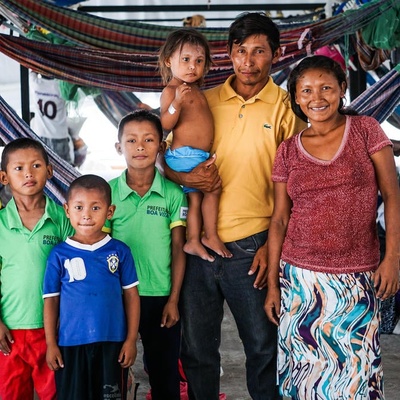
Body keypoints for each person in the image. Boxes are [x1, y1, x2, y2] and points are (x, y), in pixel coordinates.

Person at [164, 12, 306, 400]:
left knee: (262, 348)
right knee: (196, 352)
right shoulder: (201, 99)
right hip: (197, 250)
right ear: (228, 54)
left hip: (253, 247)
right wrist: (184, 178)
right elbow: (165, 157)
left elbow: (300, 186)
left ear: (275, 55)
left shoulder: (287, 108)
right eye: (241, 51)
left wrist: (272, 248)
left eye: (259, 51)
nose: (248, 61)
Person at [265, 55, 400, 399]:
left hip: (357, 278)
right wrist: (271, 285)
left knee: (358, 373)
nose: (317, 97)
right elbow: (279, 218)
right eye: (306, 90)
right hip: (300, 281)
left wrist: (393, 258)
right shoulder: (287, 151)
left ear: (342, 89)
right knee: (305, 374)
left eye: (326, 87)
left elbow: (392, 195)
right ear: (295, 97)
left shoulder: (366, 130)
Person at [108, 109, 187, 400]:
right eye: (131, 140)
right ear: (119, 147)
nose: (140, 146)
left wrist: (174, 299)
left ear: (161, 146)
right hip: (117, 297)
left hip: (160, 296)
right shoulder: (106, 194)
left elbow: (178, 249)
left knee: (164, 374)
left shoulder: (173, 194)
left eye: (149, 139)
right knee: (112, 374)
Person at [43, 174, 140, 400]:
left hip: (112, 342)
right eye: (79, 207)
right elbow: (51, 300)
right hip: (70, 343)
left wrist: (131, 340)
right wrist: (51, 343)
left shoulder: (119, 251)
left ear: (109, 212)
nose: (86, 215)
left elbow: (132, 296)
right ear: (67, 210)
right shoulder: (58, 254)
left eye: (95, 208)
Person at [0, 138, 73, 399]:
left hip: (53, 330)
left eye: (36, 165)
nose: (28, 173)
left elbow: (73, 274)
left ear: (50, 171)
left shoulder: (64, 219)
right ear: (4, 177)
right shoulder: (0, 223)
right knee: (11, 394)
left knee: (55, 392)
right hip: (9, 332)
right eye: (18, 168)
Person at [159, 28, 231, 262]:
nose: (193, 66)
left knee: (198, 198)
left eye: (199, 61)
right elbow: (166, 123)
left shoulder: (197, 90)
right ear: (169, 61)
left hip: (195, 155)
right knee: (210, 190)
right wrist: (176, 103)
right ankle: (206, 236)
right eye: (186, 60)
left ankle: (196, 239)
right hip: (184, 155)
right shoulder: (172, 91)